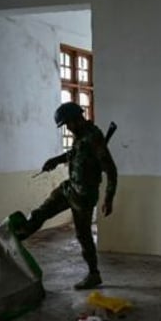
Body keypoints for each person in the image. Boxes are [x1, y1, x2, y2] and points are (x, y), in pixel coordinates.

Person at [12, 102, 117, 290]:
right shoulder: (80, 136)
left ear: (76, 119)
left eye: (67, 124)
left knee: (83, 236)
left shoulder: (94, 137)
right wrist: (57, 160)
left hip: (84, 196)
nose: (67, 128)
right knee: (42, 211)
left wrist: (108, 199)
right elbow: (75, 154)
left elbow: (111, 170)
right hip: (70, 188)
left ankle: (94, 274)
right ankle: (17, 237)